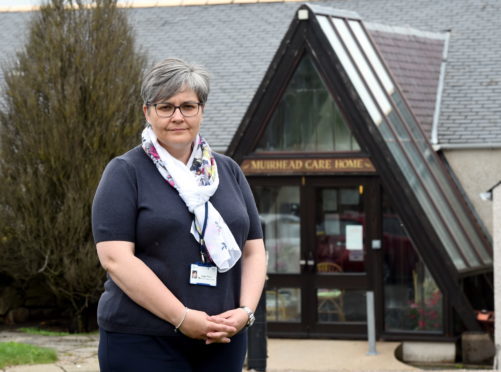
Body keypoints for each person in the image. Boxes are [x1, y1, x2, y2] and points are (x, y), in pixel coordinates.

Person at [92, 57, 266, 371]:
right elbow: (115, 259)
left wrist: (245, 312)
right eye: (165, 106)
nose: (177, 116)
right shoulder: (125, 172)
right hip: (143, 340)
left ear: (201, 110)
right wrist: (182, 317)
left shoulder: (228, 171)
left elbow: (253, 251)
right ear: (147, 112)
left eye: (188, 106)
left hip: (222, 339)